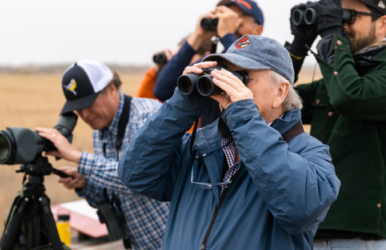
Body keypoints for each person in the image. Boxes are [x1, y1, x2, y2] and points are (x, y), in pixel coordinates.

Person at [118, 35, 340, 250]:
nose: (227, 85)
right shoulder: (200, 146)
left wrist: (244, 118)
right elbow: (136, 176)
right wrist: (180, 107)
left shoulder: (310, 153)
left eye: (242, 77)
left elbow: (300, 210)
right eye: (224, 75)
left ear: (280, 92)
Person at [35, 60, 169, 250]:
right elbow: (115, 193)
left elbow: (141, 181)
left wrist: (77, 156)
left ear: (111, 89)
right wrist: (85, 183)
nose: (85, 114)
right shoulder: (100, 131)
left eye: (89, 103)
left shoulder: (146, 117)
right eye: (78, 108)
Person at [287, 0, 386, 248]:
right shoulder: (336, 76)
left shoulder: (375, 73)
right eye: (333, 17)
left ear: (383, 24)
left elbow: (350, 97)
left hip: (359, 235)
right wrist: (298, 48)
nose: (340, 24)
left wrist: (332, 38)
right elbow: (274, 104)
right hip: (308, 228)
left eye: (348, 16)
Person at [153, 0, 264, 128]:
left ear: (258, 30)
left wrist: (228, 35)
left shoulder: (266, 66)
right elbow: (163, 90)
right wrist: (197, 36)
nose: (228, 21)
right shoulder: (212, 62)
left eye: (238, 18)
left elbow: (245, 64)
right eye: (225, 17)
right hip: (207, 145)